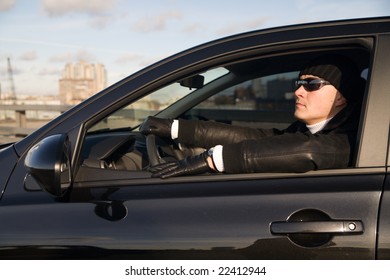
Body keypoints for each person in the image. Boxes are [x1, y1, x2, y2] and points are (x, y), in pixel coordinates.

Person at [140, 54, 365, 178]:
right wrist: (176, 128)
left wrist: (209, 159)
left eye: (311, 84)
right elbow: (260, 137)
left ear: (341, 97)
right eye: (299, 83)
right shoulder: (306, 130)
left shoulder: (351, 138)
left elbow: (308, 151)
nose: (298, 91)